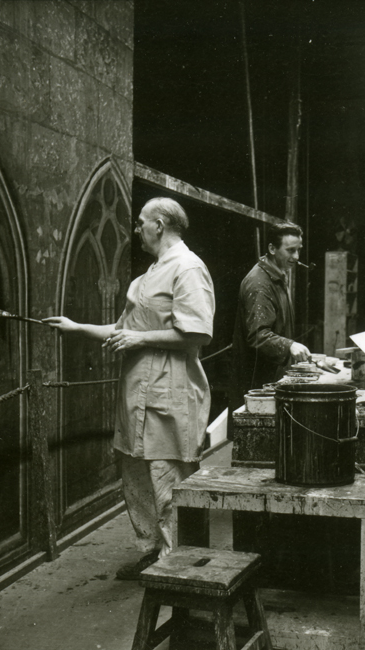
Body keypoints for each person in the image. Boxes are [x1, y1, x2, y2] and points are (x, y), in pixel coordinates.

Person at [45, 197, 215, 578]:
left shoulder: (188, 268)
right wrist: (76, 327)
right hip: (137, 392)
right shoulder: (147, 276)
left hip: (170, 390)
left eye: (140, 223)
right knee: (136, 476)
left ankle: (179, 566)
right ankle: (153, 552)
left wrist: (140, 341)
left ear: (159, 224)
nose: (136, 229)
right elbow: (122, 330)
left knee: (168, 480)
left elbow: (198, 333)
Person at [232, 222, 311, 404]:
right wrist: (289, 345)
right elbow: (258, 335)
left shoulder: (278, 276)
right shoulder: (260, 283)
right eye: (290, 250)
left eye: (298, 250)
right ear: (272, 249)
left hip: (272, 378)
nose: (296, 257)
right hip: (256, 386)